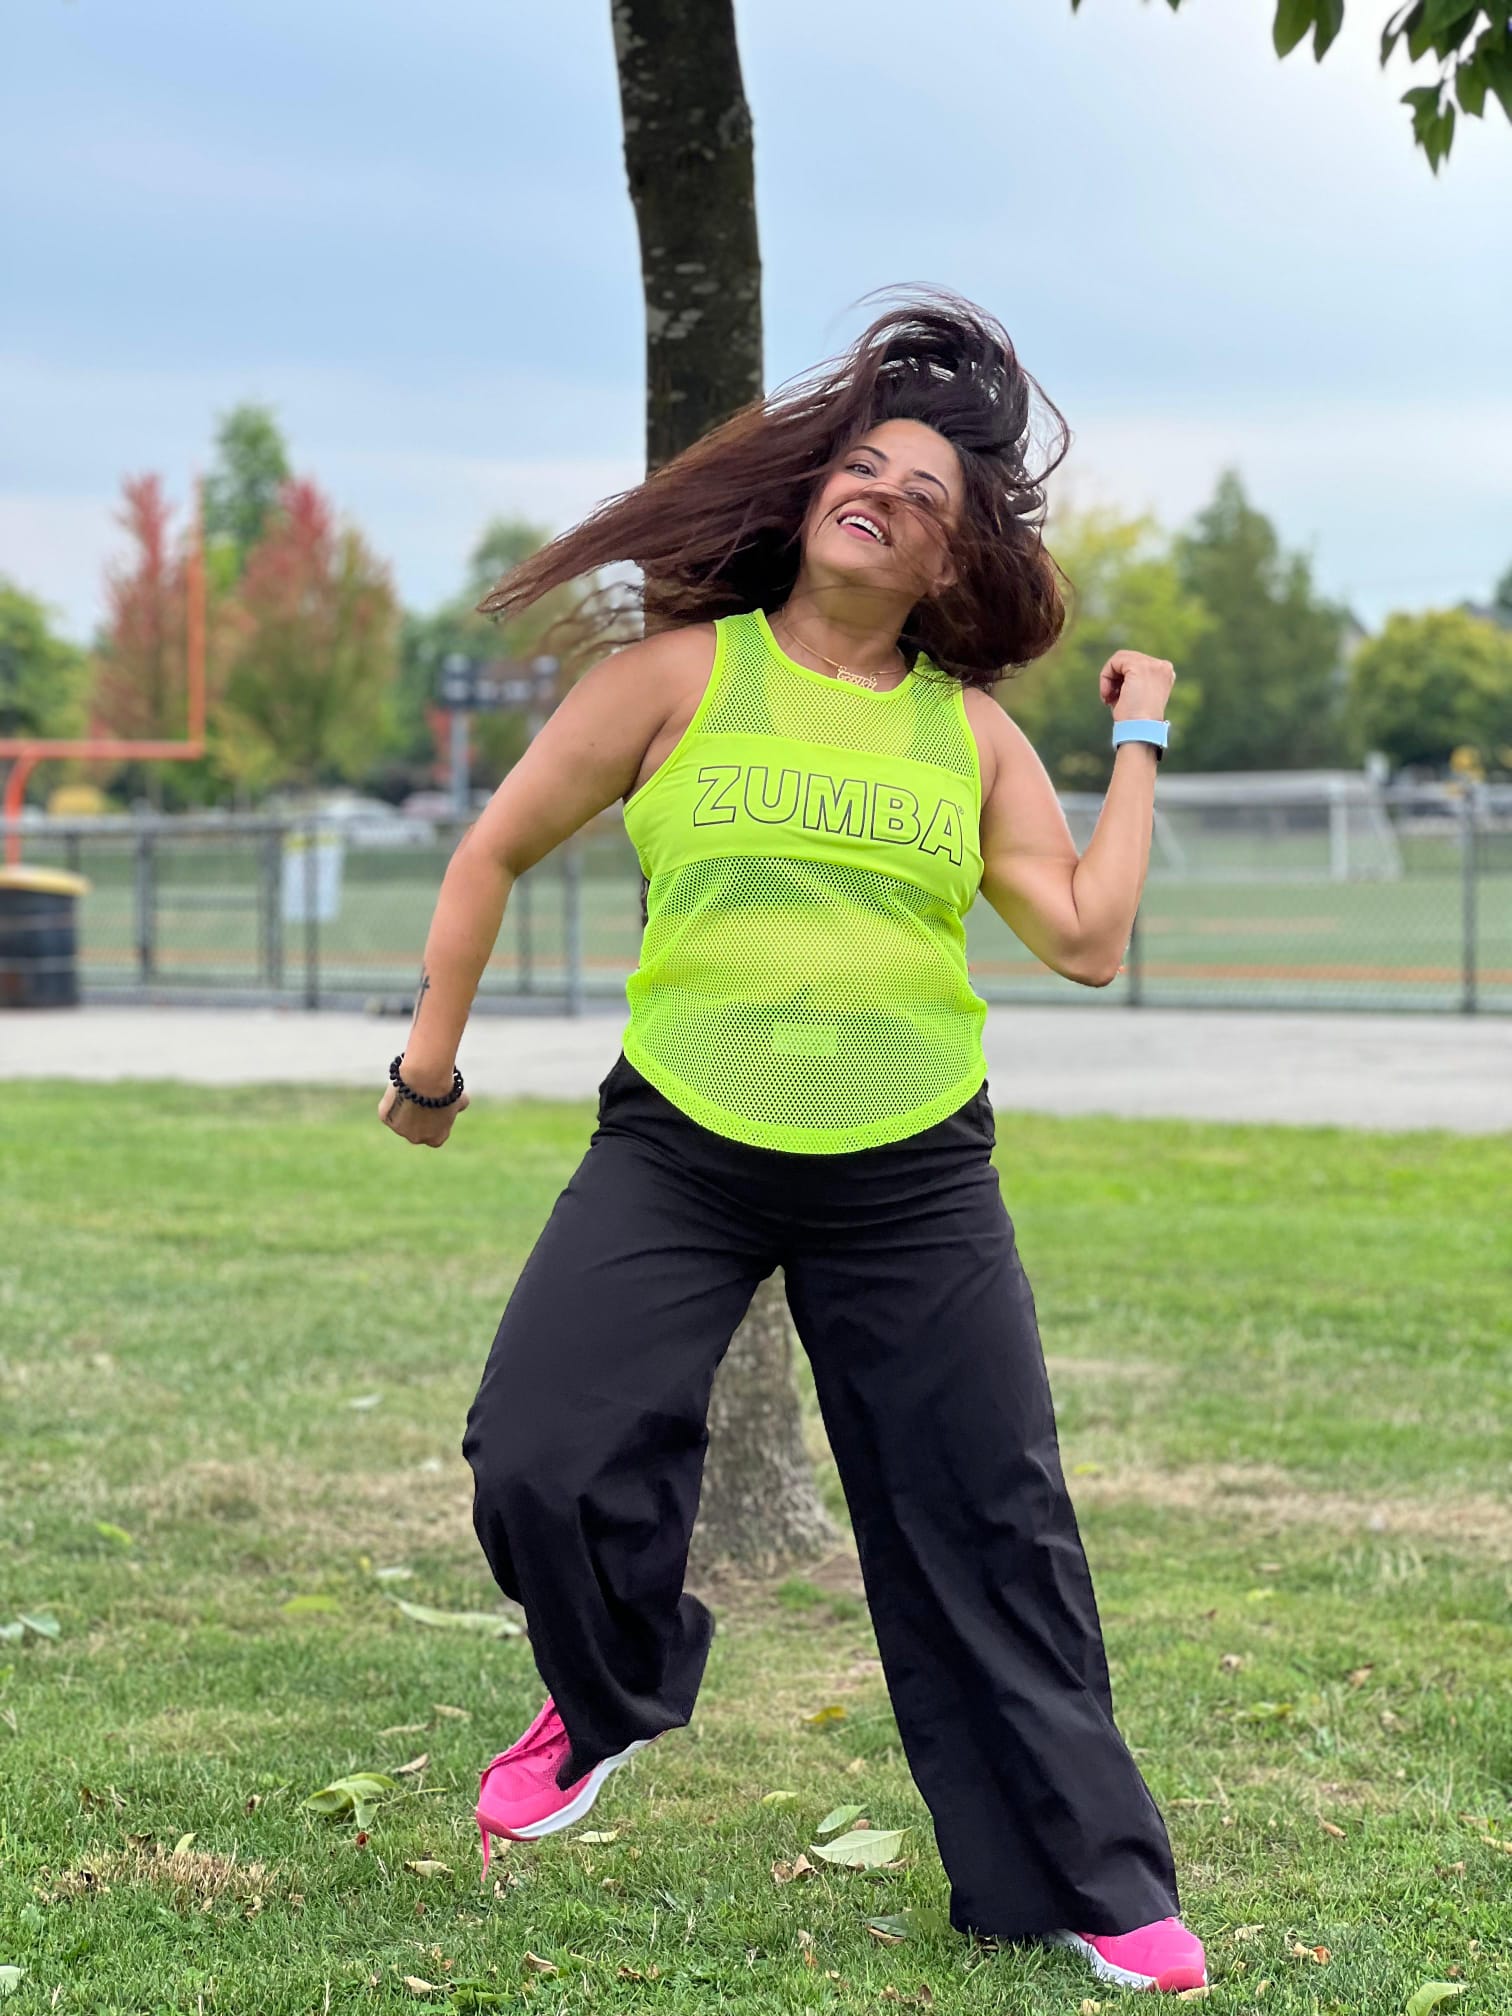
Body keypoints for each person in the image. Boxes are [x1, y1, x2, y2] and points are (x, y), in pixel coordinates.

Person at [377, 294, 1204, 1995]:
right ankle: (601, 1699)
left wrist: (1136, 737)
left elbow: (1086, 935)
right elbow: (491, 854)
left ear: (946, 573)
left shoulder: (966, 732)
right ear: (814, 494)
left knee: (992, 1518)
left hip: (912, 1175)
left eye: (928, 496)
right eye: (868, 465)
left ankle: (1093, 1881)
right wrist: (430, 1069)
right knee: (536, 1447)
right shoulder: (674, 677)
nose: (886, 492)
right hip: (682, 1142)